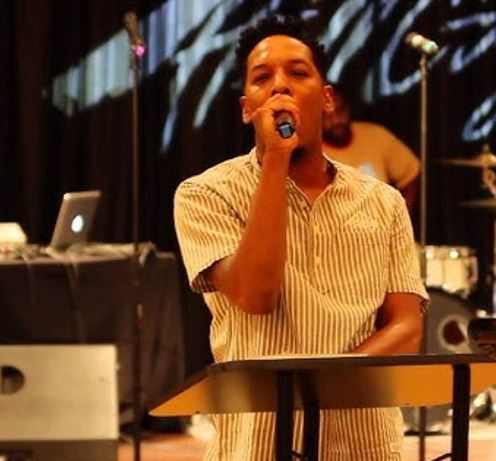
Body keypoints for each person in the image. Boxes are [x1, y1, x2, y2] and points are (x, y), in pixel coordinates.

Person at [174, 15, 427, 461]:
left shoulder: (383, 202)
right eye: (262, 78)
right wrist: (276, 159)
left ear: (326, 99)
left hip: (364, 441)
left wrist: (321, 388)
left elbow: (406, 327)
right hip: (259, 443)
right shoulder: (205, 195)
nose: (280, 86)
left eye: (297, 73)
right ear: (247, 108)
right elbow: (256, 295)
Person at [323, 87, 420, 211]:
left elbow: (411, 173)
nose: (336, 120)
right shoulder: (311, 151)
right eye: (327, 116)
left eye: (340, 111)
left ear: (348, 109)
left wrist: (401, 214)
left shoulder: (375, 135)